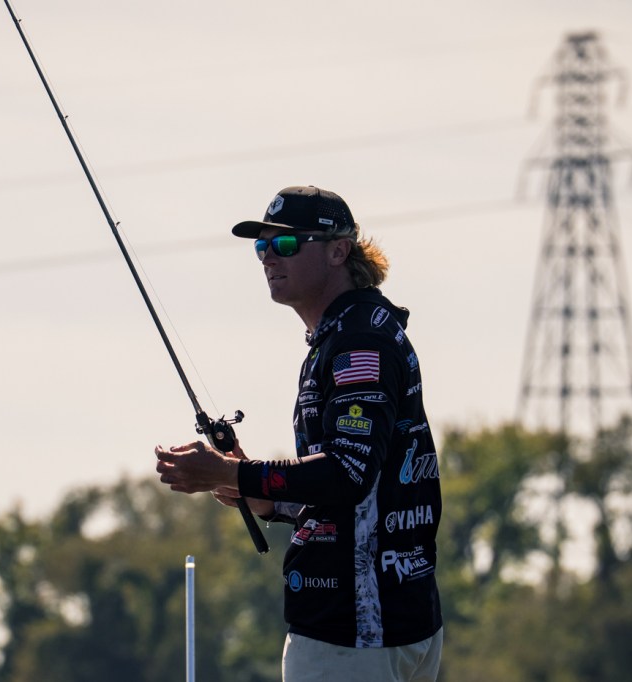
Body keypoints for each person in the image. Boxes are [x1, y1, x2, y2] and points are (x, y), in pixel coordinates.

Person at [155, 186, 443, 682]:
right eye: (261, 246)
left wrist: (233, 473)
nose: (270, 257)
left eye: (286, 244)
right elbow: (360, 487)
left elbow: (348, 474)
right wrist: (256, 491)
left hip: (354, 632)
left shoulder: (358, 340)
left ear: (338, 251)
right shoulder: (347, 332)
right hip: (386, 624)